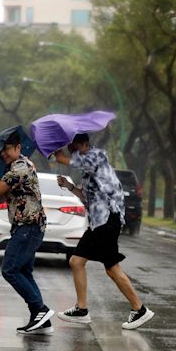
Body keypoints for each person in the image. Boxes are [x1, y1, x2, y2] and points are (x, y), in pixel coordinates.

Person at [54, 133, 154, 330]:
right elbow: (86, 196)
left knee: (111, 268)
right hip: (97, 223)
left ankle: (139, 309)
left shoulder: (96, 156)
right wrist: (69, 186)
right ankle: (82, 310)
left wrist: (60, 155)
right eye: (70, 148)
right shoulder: (88, 168)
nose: (72, 151)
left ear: (85, 144)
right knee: (76, 261)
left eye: (74, 147)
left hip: (108, 219)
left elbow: (69, 161)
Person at [0, 131, 54, 335]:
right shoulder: (16, 166)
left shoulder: (20, 167)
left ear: (18, 148)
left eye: (7, 149)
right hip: (26, 226)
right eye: (2, 151)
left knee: (10, 270)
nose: (3, 154)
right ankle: (40, 317)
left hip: (29, 226)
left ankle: (40, 310)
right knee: (24, 271)